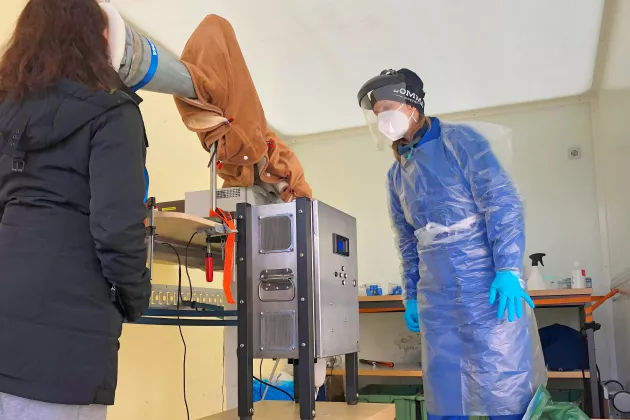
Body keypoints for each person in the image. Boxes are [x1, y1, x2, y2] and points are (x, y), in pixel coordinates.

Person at [357, 69, 546, 420]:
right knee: (445, 387)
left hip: (486, 286)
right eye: (377, 112)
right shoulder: (397, 174)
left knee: (501, 382)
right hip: (436, 295)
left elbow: (501, 202)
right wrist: (411, 294)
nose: (383, 119)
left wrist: (507, 269)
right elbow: (408, 241)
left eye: (387, 107)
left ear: (412, 105)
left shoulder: (460, 142)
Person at [0, 0, 151, 419]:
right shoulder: (112, 112)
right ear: (95, 39)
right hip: (66, 349)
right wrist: (136, 299)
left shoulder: (7, 114)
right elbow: (117, 229)